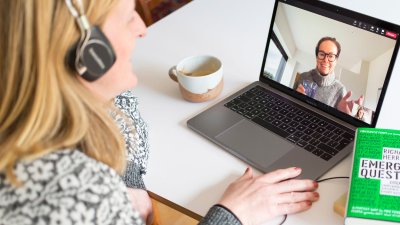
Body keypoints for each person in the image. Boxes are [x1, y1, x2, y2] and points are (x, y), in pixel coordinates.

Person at [0, 0, 319, 225]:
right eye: (128, 17)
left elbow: (119, 104)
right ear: (89, 53)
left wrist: (129, 185)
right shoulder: (72, 196)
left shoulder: (47, 103)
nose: (142, 29)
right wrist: (232, 214)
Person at [294, 37, 364, 114]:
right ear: (317, 56)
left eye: (331, 56)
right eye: (321, 54)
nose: (326, 60)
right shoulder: (303, 77)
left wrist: (348, 116)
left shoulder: (340, 90)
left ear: (336, 61)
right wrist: (295, 98)